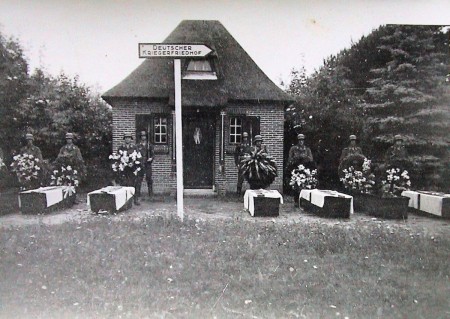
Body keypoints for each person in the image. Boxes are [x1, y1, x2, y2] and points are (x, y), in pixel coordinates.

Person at [118, 132, 141, 205]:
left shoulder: (134, 147)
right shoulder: (121, 147)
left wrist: (133, 163)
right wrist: (124, 164)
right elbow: (118, 157)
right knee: (124, 183)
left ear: (131, 139)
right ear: (124, 139)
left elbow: (138, 157)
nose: (127, 139)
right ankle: (124, 201)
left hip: (132, 168)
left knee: (133, 183)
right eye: (126, 138)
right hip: (124, 168)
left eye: (129, 138)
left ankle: (135, 199)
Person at [136, 130, 154, 199]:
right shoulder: (137, 146)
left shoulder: (149, 145)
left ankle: (151, 195)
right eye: (142, 136)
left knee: (149, 178)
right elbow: (136, 155)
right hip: (140, 164)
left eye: (144, 136)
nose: (143, 137)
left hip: (148, 164)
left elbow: (153, 155)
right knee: (139, 179)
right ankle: (137, 194)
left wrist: (151, 158)